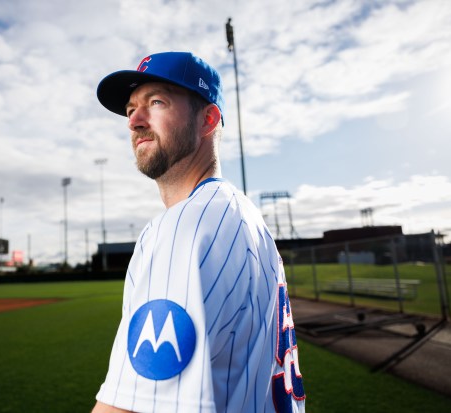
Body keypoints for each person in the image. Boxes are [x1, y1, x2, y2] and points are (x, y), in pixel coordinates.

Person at [92, 52, 306, 413]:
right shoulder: (243, 216)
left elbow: (131, 408)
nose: (135, 121)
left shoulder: (186, 227)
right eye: (131, 109)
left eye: (156, 102)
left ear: (208, 119)